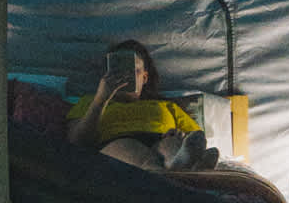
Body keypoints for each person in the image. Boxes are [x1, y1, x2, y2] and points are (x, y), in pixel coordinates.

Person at [64, 40, 213, 174]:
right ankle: (173, 172)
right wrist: (101, 99)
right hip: (117, 142)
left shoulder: (166, 106)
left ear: (145, 77)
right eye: (118, 70)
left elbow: (195, 137)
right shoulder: (91, 101)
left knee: (171, 146)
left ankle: (180, 163)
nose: (126, 75)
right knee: (129, 147)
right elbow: (76, 141)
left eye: (134, 70)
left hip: (160, 139)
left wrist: (179, 136)